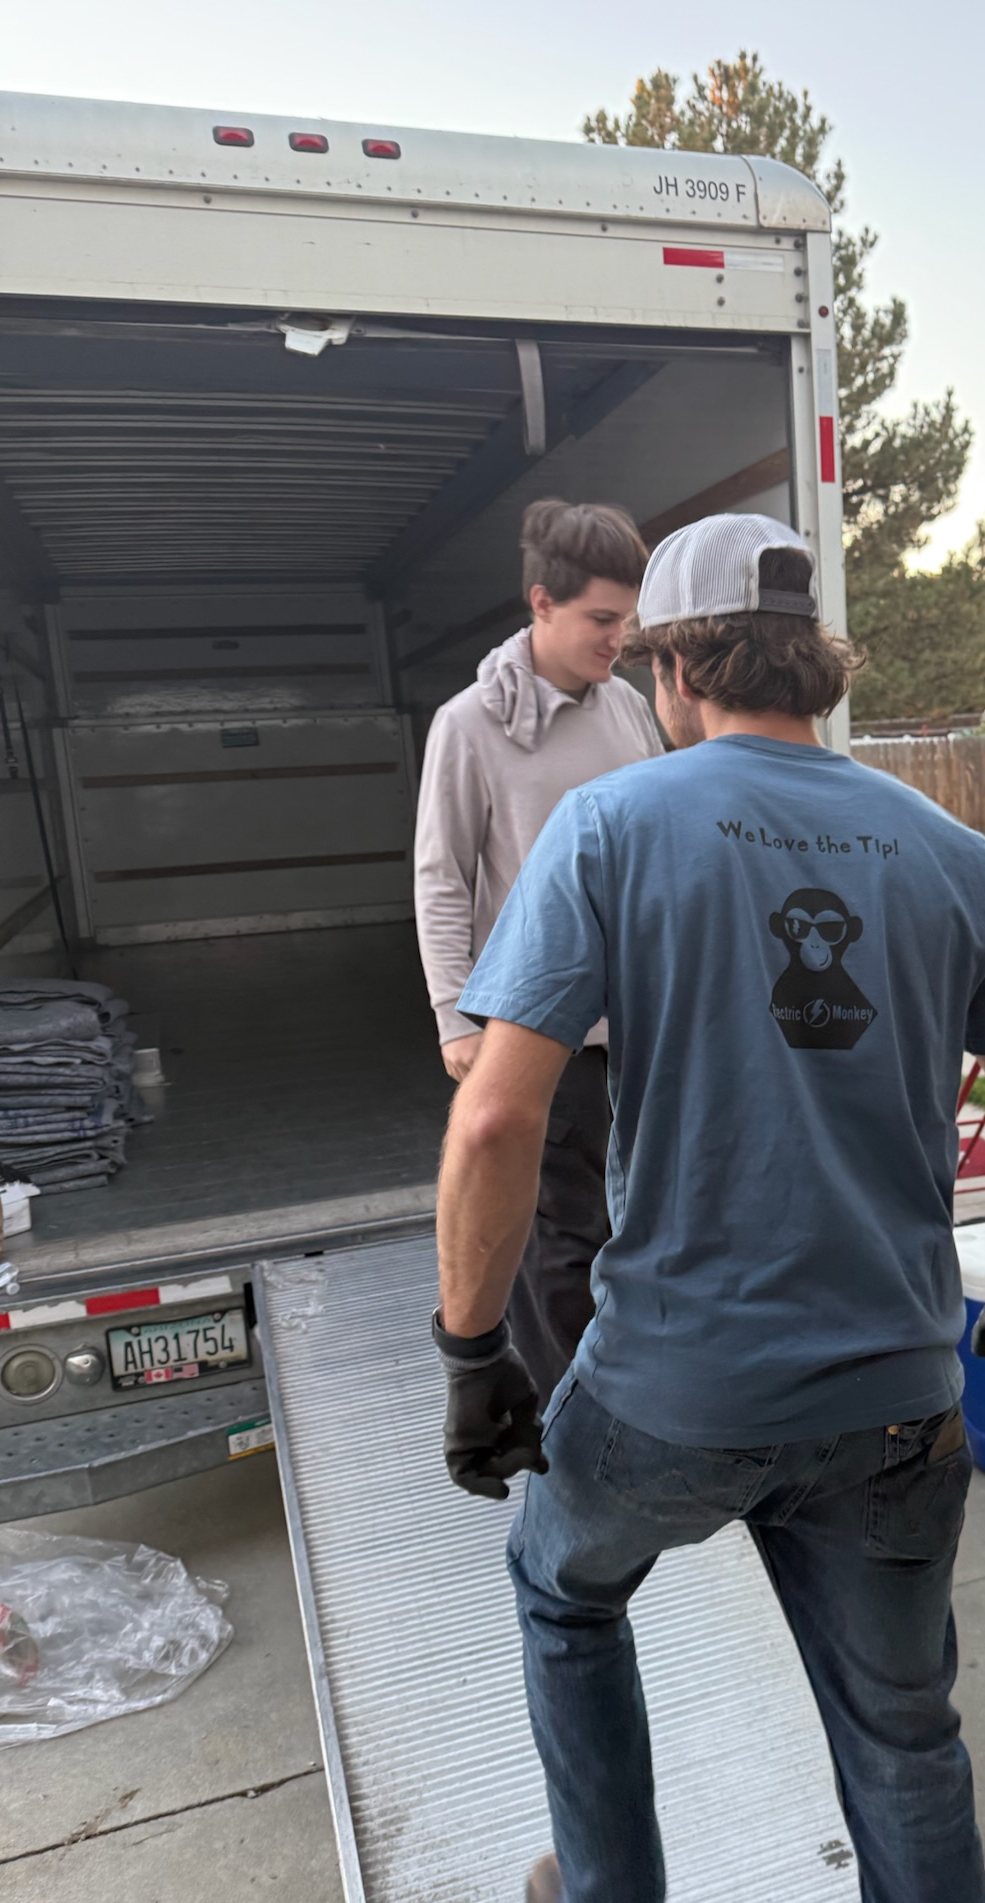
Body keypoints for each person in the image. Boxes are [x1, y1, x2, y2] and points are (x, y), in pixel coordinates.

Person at [430, 512, 985, 1903]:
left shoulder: (613, 828)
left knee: (563, 1584)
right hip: (892, 1400)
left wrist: (473, 1348)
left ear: (673, 665)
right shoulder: (947, 852)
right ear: (823, 667)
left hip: (671, 1389)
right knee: (903, 1731)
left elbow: (496, 1115)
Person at [414, 498, 664, 1400]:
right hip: (534, 1025)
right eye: (603, 620)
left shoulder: (628, 714)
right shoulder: (470, 725)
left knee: (632, 1217)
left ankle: (633, 1385)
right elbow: (442, 877)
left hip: (637, 1021)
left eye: (629, 622)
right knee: (554, 1235)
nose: (618, 639)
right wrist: (456, 1018)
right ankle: (574, 1413)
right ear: (542, 603)